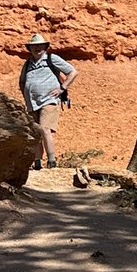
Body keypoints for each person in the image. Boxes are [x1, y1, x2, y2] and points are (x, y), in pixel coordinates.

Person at [19, 33, 78, 170]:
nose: (37, 48)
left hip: (49, 100)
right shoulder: (28, 64)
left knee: (45, 129)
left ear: (45, 47)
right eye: (34, 46)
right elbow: (22, 82)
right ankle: (37, 162)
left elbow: (73, 72)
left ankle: (52, 161)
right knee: (36, 132)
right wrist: (26, 95)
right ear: (30, 48)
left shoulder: (52, 59)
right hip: (32, 103)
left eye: (40, 45)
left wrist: (62, 88)